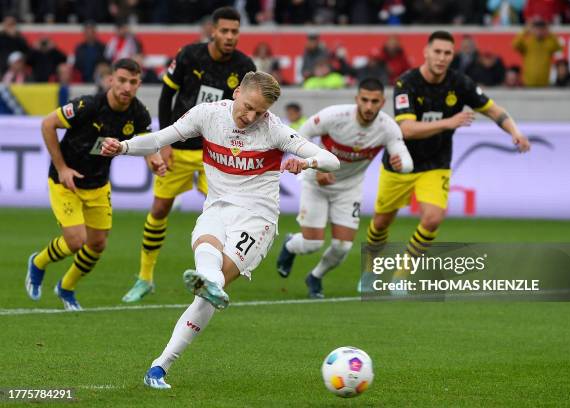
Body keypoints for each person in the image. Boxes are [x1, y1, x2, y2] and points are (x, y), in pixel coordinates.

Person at [100, 71, 340, 389]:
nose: (251, 116)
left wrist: (306, 164)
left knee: (206, 296)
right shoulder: (208, 114)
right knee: (205, 252)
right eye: (249, 106)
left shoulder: (274, 130)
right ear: (237, 92)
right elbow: (160, 139)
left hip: (256, 220)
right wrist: (124, 147)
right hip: (216, 208)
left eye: (260, 111)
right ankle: (206, 287)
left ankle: (161, 364)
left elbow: (331, 160)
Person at [362, 31, 530, 291]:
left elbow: (493, 110)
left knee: (433, 219)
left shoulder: (460, 83)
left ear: (453, 55)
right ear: (426, 53)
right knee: (382, 222)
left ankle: (402, 275)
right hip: (400, 161)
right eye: (437, 52)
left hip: (436, 163)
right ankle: (370, 269)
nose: (441, 58)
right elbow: (406, 128)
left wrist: (515, 132)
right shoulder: (406, 83)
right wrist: (450, 123)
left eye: (447, 53)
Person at [121, 6, 257, 303]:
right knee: (159, 209)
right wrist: (163, 143)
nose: (230, 36)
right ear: (212, 30)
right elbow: (167, 95)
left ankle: (215, 278)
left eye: (235, 31)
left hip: (217, 153)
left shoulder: (245, 66)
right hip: (180, 148)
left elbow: (251, 111)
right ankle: (144, 278)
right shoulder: (188, 56)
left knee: (226, 215)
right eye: (224, 31)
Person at [25, 58, 166, 311]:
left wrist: (155, 162)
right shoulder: (88, 105)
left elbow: (147, 145)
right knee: (77, 240)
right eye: (121, 80)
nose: (126, 87)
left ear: (138, 84)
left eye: (132, 82)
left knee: (98, 243)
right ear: (111, 80)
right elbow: (48, 124)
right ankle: (38, 262)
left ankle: (66, 287)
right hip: (65, 181)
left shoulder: (138, 113)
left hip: (98, 184)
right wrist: (62, 168)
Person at [276, 78, 413, 298]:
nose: (369, 107)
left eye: (375, 102)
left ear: (382, 102)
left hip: (349, 188)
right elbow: (302, 133)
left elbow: (405, 159)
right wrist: (317, 167)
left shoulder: (387, 127)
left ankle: (315, 277)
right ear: (357, 99)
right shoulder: (334, 115)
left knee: (342, 246)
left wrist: (403, 165)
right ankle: (291, 244)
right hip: (316, 181)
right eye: (365, 100)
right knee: (312, 244)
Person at [512, 19, 562, 87]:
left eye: (541, 29)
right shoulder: (528, 43)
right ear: (532, 30)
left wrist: (550, 33)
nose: (539, 32)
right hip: (528, 83)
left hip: (544, 84)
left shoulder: (549, 43)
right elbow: (515, 45)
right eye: (537, 29)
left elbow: (559, 47)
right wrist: (525, 31)